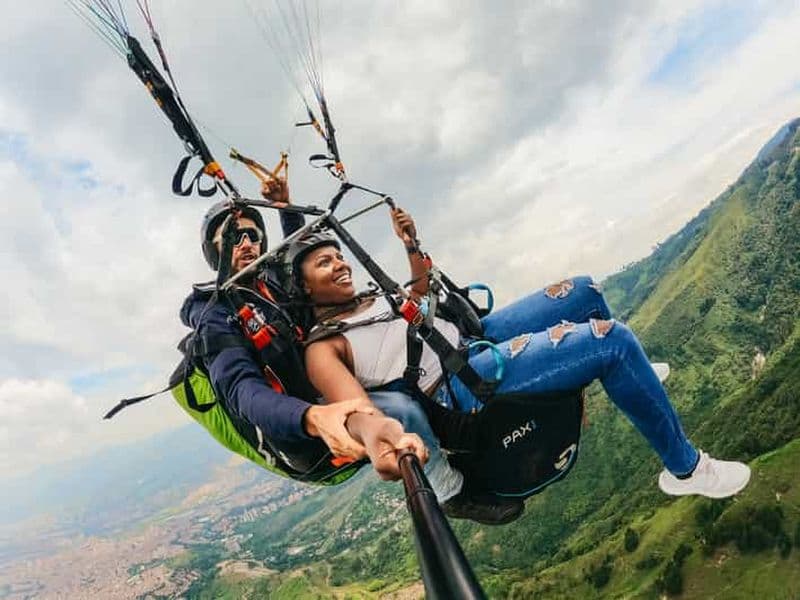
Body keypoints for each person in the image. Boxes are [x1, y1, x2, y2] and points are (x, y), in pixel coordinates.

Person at [295, 207, 752, 500]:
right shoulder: (324, 347)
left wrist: (412, 246)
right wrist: (382, 436)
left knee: (583, 291)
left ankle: (635, 380)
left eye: (338, 256)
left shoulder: (370, 299)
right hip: (461, 383)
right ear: (302, 287)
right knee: (610, 339)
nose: (339, 264)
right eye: (324, 263)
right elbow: (355, 408)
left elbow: (419, 296)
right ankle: (686, 470)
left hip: (472, 337)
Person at [180, 183, 519, 523]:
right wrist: (313, 417)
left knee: (401, 371)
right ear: (214, 251)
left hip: (332, 383)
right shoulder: (216, 317)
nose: (246, 244)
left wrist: (285, 206)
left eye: (252, 235)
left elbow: (301, 262)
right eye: (232, 237)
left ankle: (470, 437)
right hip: (302, 425)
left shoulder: (268, 286)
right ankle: (451, 492)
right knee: (401, 409)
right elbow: (243, 392)